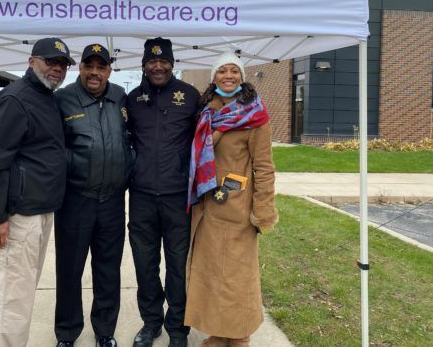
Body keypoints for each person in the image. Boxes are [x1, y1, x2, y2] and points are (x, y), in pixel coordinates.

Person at [0, 37, 75, 347]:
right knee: (13, 301)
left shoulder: (46, 97)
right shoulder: (15, 99)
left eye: (62, 64)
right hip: (15, 217)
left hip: (39, 212)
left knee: (19, 294)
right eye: (50, 62)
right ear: (32, 62)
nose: (57, 69)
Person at [185, 52, 279, 347]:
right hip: (207, 207)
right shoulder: (206, 111)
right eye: (222, 71)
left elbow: (264, 166)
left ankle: (239, 336)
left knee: (237, 278)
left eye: (234, 71)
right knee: (212, 275)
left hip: (237, 208)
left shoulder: (255, 113)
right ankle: (218, 333)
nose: (228, 76)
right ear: (213, 77)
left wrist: (263, 209)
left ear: (242, 76)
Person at [54, 44, 133, 347]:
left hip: (112, 201)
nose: (95, 73)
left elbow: (132, 138)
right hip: (76, 200)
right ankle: (67, 332)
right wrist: (71, 165)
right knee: (70, 269)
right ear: (80, 68)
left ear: (110, 71)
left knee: (108, 270)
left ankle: (104, 331)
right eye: (90, 66)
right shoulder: (62, 100)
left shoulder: (120, 99)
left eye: (102, 67)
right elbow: (53, 146)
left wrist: (128, 167)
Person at [126, 37, 200, 347]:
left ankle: (178, 329)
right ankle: (151, 323)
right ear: (144, 65)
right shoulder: (131, 99)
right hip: (141, 196)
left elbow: (205, 143)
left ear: (172, 63)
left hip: (177, 198)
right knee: (145, 265)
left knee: (177, 268)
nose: (158, 66)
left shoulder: (191, 96)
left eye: (163, 61)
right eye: (151, 61)